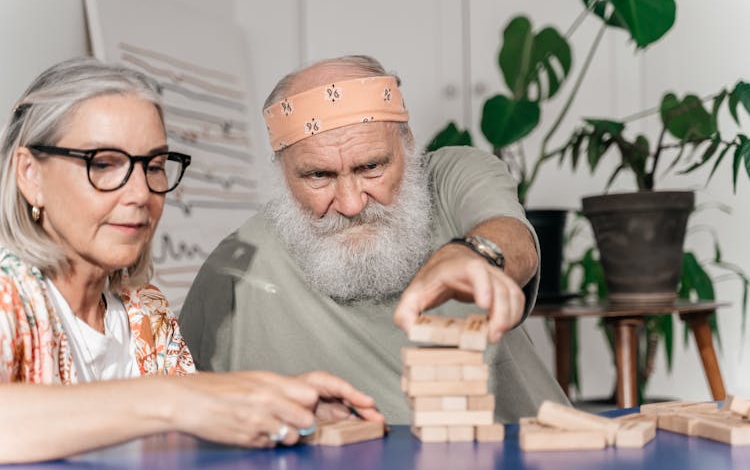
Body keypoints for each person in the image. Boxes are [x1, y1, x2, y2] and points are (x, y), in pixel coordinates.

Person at [0, 58, 383, 464]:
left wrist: (275, 403)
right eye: (104, 164)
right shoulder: (8, 295)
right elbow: (176, 404)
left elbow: (187, 425)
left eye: (153, 166)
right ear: (30, 175)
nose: (139, 194)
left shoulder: (144, 309)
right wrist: (170, 398)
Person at [180, 55, 569, 424]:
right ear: (282, 173)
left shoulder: (451, 175)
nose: (350, 204)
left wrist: (477, 256)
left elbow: (512, 237)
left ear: (408, 146)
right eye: (319, 176)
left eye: (371, 167)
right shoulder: (233, 270)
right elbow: (184, 409)